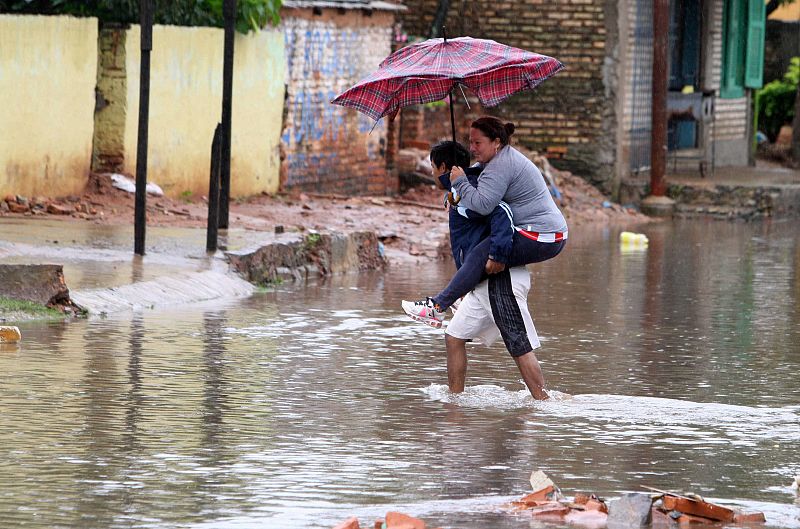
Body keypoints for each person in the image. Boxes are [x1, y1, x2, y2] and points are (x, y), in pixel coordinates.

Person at [402, 116, 568, 327]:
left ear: (496, 142)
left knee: (482, 253)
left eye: (477, 143)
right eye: (470, 142)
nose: (472, 148)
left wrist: (459, 183)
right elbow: (474, 180)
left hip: (544, 235)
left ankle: (437, 306)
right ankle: (457, 296)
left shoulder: (501, 165)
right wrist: (453, 190)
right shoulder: (493, 160)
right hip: (539, 231)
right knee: (479, 250)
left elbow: (483, 205)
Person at [446, 267, 549, 400]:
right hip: (481, 283)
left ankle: (544, 402)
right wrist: (466, 284)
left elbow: (493, 253)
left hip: (502, 281)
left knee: (519, 346)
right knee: (454, 337)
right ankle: (455, 401)